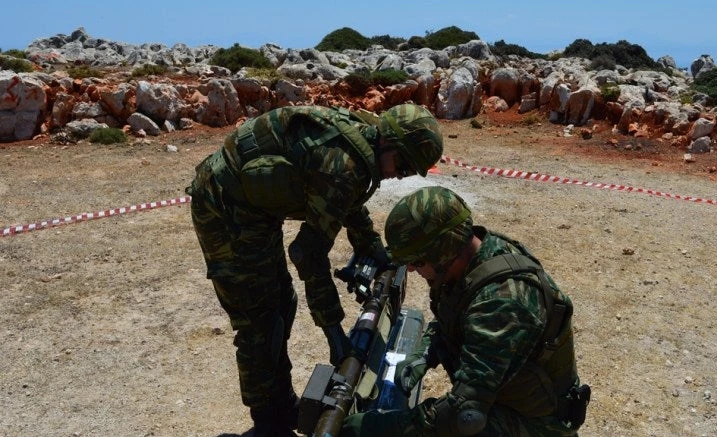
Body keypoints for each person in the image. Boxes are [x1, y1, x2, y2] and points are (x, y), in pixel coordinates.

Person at [185, 104, 443, 436]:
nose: (399, 175)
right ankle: (266, 423)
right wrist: (335, 334)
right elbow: (307, 253)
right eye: (403, 165)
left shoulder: (365, 143)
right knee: (259, 321)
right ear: (388, 143)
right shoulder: (344, 164)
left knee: (283, 303)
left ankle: (282, 404)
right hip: (224, 206)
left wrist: (373, 248)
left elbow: (346, 201)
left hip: (255, 211)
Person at [342, 186, 590, 436]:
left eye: (417, 262)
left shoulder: (501, 304)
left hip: (536, 424)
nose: (414, 271)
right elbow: (454, 314)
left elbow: (464, 414)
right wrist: (425, 352)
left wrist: (382, 427)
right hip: (507, 400)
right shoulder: (476, 256)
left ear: (443, 251)